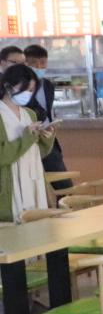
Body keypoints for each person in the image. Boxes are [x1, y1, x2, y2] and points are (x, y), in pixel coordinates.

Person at [0, 64, 55, 222]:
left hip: (33, 179)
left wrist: (46, 138)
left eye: (31, 90)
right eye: (24, 89)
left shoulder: (29, 114)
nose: (28, 94)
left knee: (37, 226)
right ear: (8, 86)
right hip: (9, 184)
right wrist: (27, 137)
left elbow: (35, 153)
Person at [22, 45, 70, 188]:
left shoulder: (48, 85)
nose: (39, 67)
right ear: (25, 64)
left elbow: (47, 112)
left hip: (48, 139)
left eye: (42, 63)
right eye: (34, 63)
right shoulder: (19, 87)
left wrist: (51, 125)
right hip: (27, 140)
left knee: (63, 184)